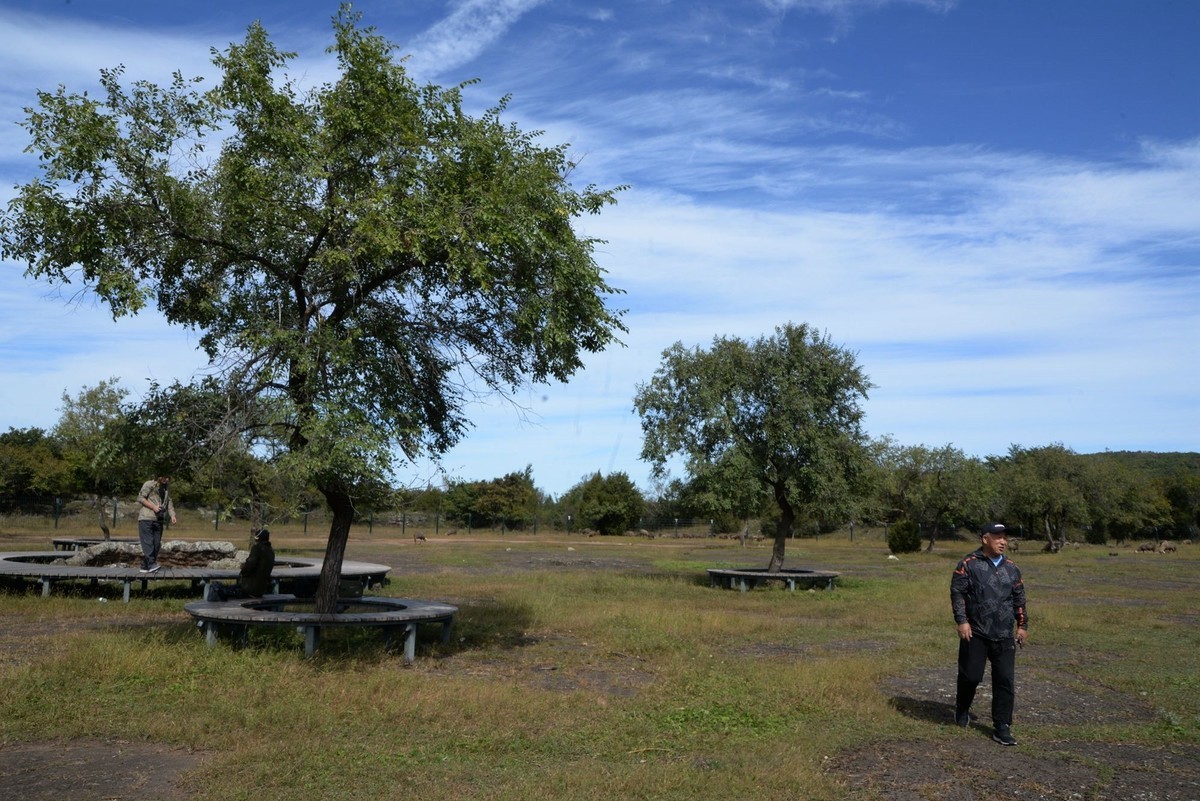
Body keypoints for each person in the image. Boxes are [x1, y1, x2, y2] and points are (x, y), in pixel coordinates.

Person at [951, 522, 1028, 746]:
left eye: (1005, 537)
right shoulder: (968, 564)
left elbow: (1019, 599)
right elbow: (958, 593)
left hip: (1004, 633)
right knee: (971, 676)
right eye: (998, 537)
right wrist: (962, 621)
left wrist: (1022, 625)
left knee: (1005, 680)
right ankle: (962, 708)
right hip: (976, 632)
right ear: (985, 539)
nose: (1003, 541)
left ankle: (1002, 726)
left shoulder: (1012, 568)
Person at [209, 529, 275, 601]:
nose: (256, 541)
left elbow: (250, 566)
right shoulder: (271, 551)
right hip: (261, 590)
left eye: (256, 539)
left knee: (219, 589)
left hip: (250, 588)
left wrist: (243, 569)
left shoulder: (257, 548)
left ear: (259, 539)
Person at [136, 475, 175, 573]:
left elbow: (169, 501)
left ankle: (145, 565)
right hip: (146, 518)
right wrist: (153, 507)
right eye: (165, 477)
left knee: (156, 544)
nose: (166, 479)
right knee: (148, 543)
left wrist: (172, 515)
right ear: (159, 476)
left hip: (159, 520)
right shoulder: (149, 484)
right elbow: (140, 498)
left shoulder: (167, 488)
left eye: (168, 477)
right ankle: (151, 564)